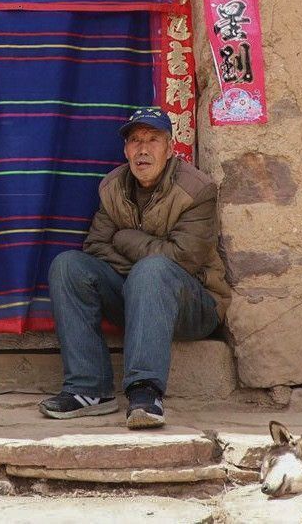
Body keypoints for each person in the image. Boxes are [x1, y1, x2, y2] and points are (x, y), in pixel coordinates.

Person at [41, 107, 231, 429]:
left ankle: (145, 393)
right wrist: (141, 270)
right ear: (125, 149)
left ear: (170, 148)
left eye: (153, 140)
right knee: (68, 267)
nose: (143, 149)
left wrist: (126, 239)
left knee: (154, 270)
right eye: (135, 140)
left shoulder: (196, 189)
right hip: (135, 295)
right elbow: (96, 248)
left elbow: (183, 259)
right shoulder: (113, 187)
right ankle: (90, 389)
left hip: (195, 303)